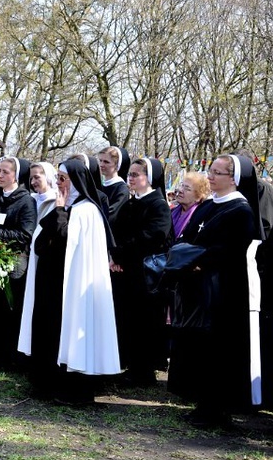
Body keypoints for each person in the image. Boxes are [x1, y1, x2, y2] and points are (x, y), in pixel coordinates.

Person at [169, 154, 264, 427]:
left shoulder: (240, 210)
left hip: (223, 290)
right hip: (197, 286)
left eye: (217, 173)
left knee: (219, 350)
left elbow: (231, 251)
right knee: (199, 348)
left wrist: (200, 261)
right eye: (210, 170)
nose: (210, 176)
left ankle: (217, 409)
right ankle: (202, 403)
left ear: (233, 179)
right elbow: (188, 237)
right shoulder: (208, 205)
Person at [18, 159, 121, 404]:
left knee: (70, 331)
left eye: (63, 179)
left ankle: (73, 389)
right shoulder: (61, 206)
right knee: (48, 330)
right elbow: (42, 244)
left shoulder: (87, 210)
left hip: (73, 286)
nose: (59, 184)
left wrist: (61, 211)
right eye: (58, 178)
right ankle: (46, 383)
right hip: (51, 284)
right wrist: (59, 210)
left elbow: (64, 241)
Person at [110, 158, 173, 386]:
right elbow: (117, 231)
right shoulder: (130, 203)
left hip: (147, 275)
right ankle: (130, 366)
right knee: (129, 320)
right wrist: (115, 256)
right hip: (127, 270)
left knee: (145, 324)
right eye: (131, 174)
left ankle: (143, 372)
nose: (131, 178)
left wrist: (120, 253)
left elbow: (153, 236)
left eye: (136, 174)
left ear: (150, 178)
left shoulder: (158, 204)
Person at [0, 157, 37, 363]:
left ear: (16, 176)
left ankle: (12, 356)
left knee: (10, 309)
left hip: (15, 260)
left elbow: (26, 234)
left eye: (5, 172)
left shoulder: (26, 201)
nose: (1, 175)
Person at [171, 172, 210, 242]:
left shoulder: (200, 218)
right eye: (182, 186)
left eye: (187, 189)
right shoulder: (171, 211)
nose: (180, 190)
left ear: (198, 196)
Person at [98, 146, 131, 225]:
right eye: (100, 160)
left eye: (106, 162)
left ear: (117, 165)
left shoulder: (122, 189)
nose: (101, 164)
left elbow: (111, 215)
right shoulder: (100, 185)